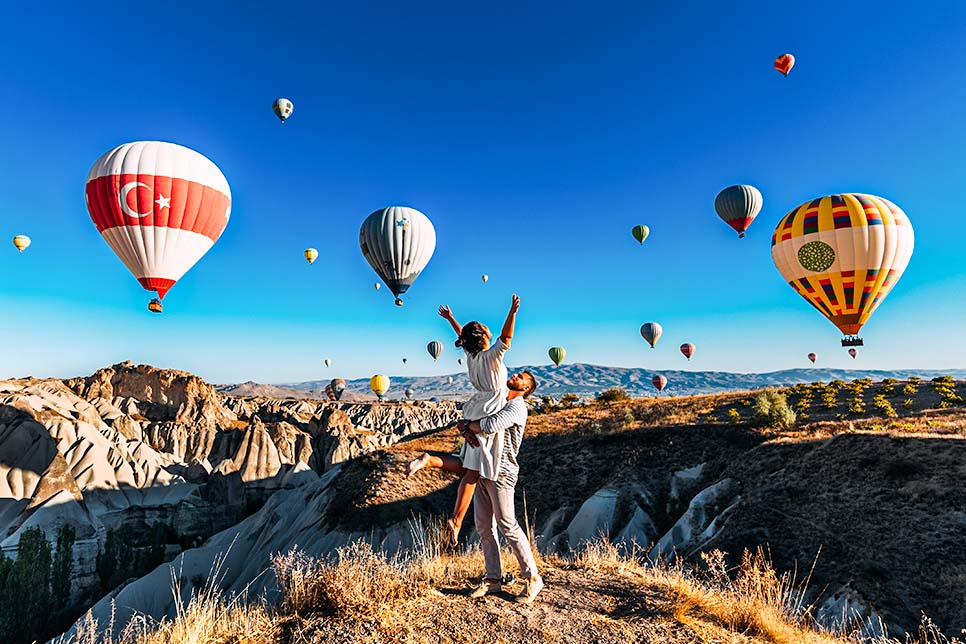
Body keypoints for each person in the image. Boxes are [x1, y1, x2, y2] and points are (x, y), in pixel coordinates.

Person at [406, 294, 520, 547]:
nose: (491, 331)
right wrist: (512, 312)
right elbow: (507, 337)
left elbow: (462, 336)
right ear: (483, 338)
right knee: (474, 472)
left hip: (475, 408)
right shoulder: (492, 357)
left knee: (469, 467)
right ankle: (456, 522)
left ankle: (430, 460)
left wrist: (451, 319)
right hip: (490, 410)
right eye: (487, 330)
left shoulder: (471, 357)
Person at [460, 370, 543, 604]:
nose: (516, 374)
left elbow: (490, 425)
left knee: (508, 525)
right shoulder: (497, 402)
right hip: (483, 469)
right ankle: (493, 579)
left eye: (523, 377)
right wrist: (467, 426)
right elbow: (477, 422)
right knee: (484, 526)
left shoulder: (517, 407)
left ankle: (533, 577)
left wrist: (467, 425)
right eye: (518, 373)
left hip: (502, 473)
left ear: (526, 388)